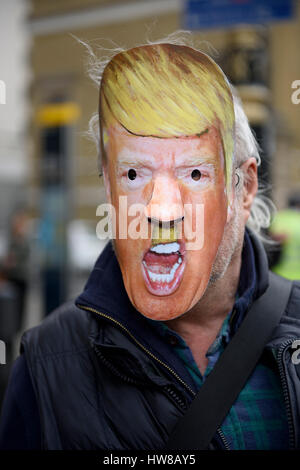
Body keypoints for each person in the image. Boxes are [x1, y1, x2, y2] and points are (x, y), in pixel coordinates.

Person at [1, 39, 300, 451]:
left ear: (244, 187)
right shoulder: (47, 362)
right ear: (108, 184)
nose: (161, 210)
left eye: (195, 174)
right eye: (134, 174)